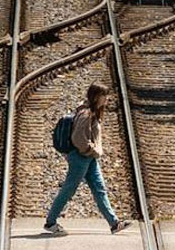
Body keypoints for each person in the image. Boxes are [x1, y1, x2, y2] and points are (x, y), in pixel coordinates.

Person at [44, 82, 132, 235]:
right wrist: (90, 150)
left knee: (99, 189)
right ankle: (50, 222)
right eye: (105, 96)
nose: (107, 99)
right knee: (69, 189)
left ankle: (114, 223)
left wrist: (91, 153)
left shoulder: (91, 111)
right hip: (81, 157)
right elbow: (78, 138)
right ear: (97, 96)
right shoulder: (86, 113)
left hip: (88, 158)